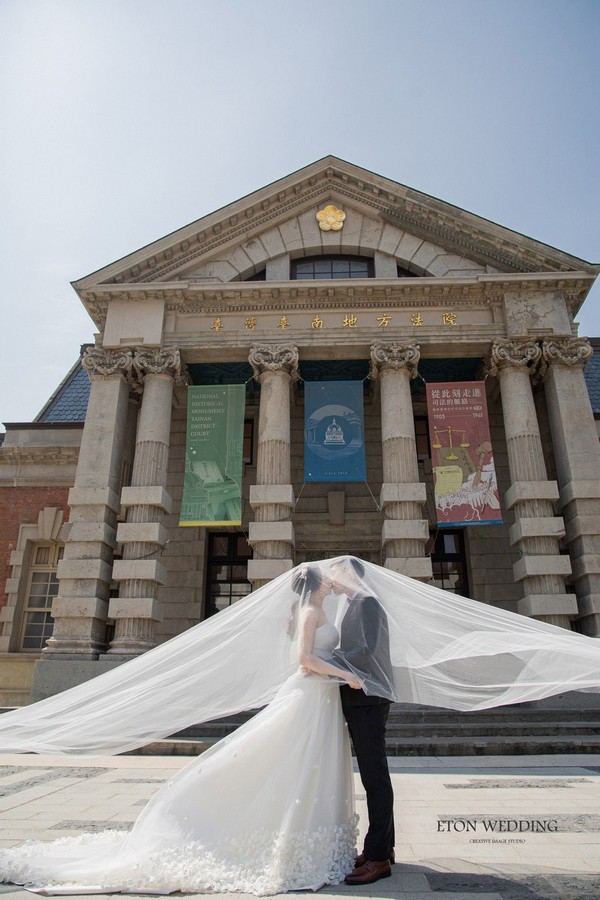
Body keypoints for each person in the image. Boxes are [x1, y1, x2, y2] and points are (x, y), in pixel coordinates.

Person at [0, 565, 364, 896]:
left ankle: (304, 837)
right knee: (279, 759)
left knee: (305, 766)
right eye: (327, 577)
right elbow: (304, 658)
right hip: (309, 693)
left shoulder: (320, 609)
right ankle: (266, 832)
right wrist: (345, 674)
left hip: (321, 699)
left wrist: (346, 599)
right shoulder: (310, 612)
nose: (332, 580)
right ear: (317, 585)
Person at [329, 556, 395, 886]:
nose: (332, 577)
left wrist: (329, 659)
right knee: (375, 775)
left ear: (349, 574)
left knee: (374, 778)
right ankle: (384, 848)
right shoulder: (358, 603)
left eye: (336, 571)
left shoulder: (367, 602)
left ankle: (379, 857)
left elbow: (366, 650)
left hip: (366, 699)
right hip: (363, 699)